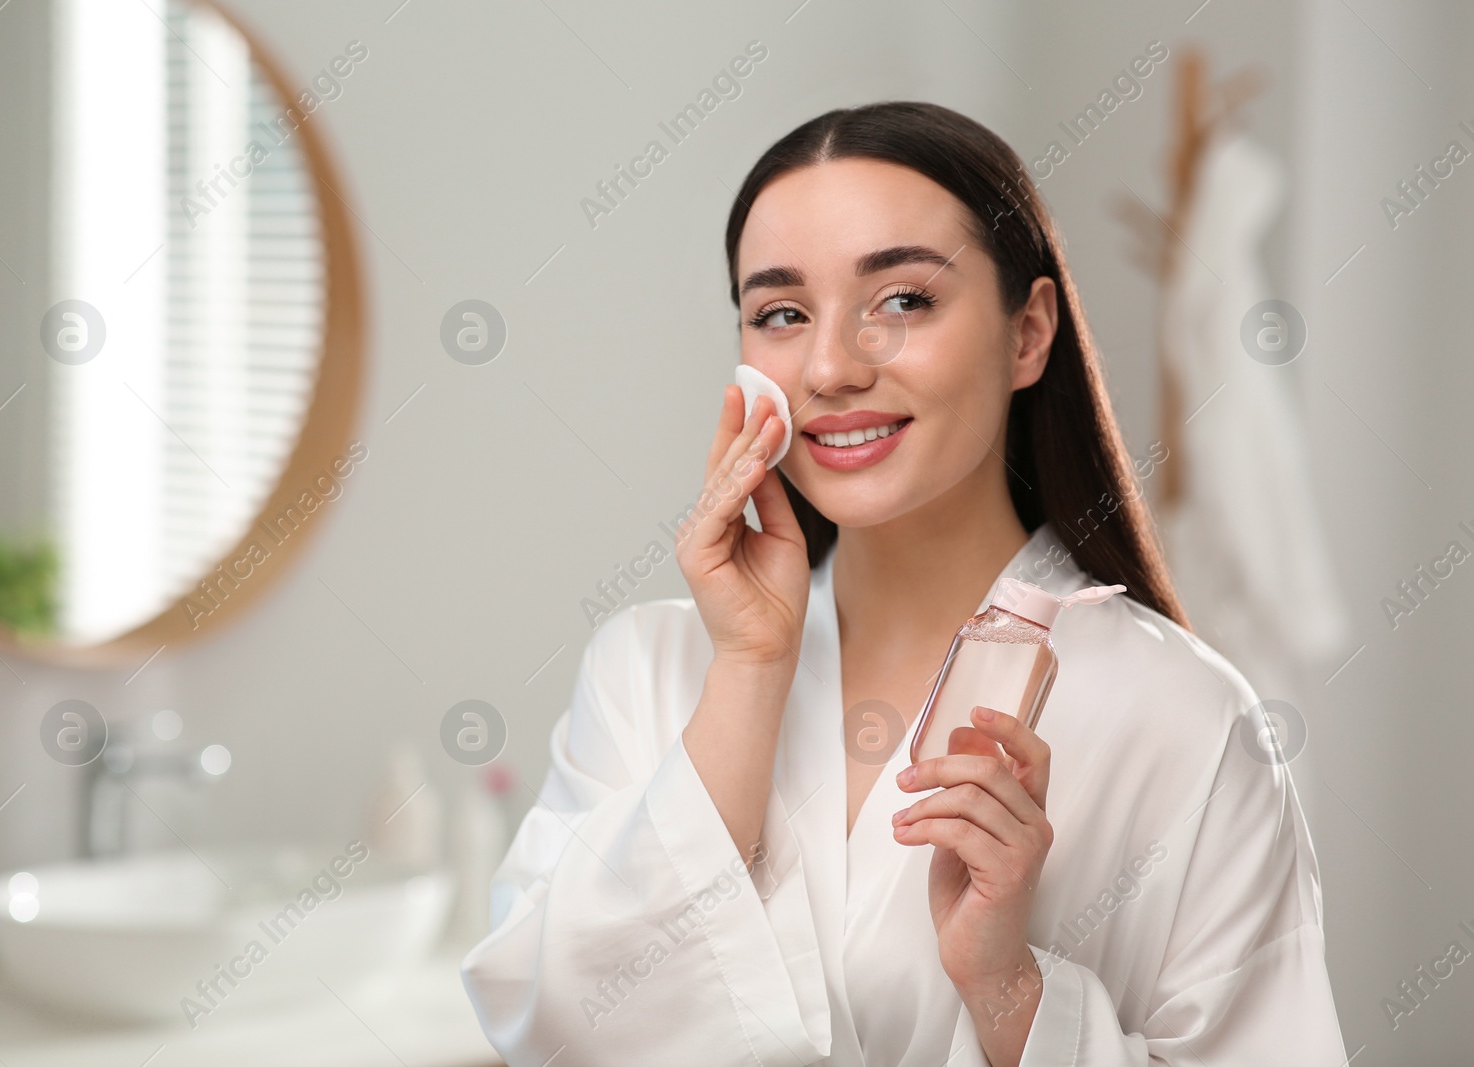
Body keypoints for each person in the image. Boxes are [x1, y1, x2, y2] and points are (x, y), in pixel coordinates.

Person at [460, 101, 1347, 1066]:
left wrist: (1010, 990)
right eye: (782, 314)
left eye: (903, 300)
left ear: (1029, 333)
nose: (832, 367)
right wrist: (753, 667)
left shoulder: (1186, 715)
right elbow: (541, 1023)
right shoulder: (647, 669)